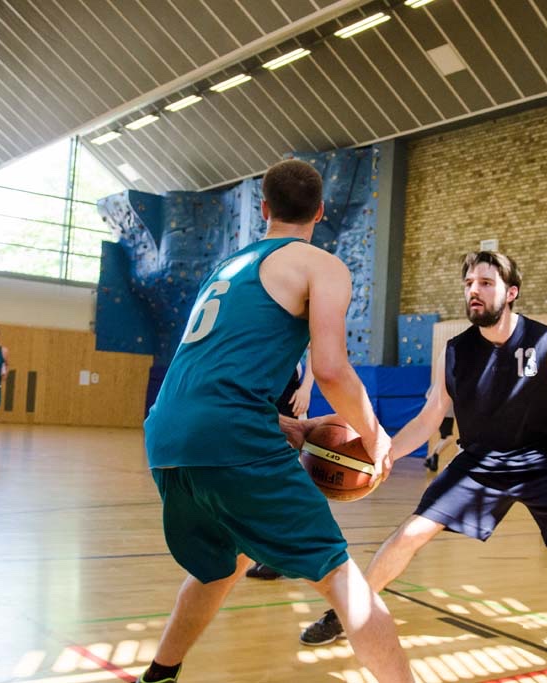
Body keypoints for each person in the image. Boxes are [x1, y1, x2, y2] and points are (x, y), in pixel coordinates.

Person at [300, 251, 547, 683]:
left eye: (486, 283)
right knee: (410, 533)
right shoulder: (454, 352)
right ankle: (347, 612)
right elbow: (429, 418)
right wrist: (388, 453)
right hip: (479, 461)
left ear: (510, 293)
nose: (474, 290)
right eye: (470, 283)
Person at [138, 159, 414, 683]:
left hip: (167, 433)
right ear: (321, 212)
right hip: (231, 433)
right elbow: (331, 369)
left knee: (222, 565)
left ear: (264, 209)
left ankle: (158, 675)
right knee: (343, 580)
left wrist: (291, 426)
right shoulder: (320, 264)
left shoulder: (228, 268)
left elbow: (208, 372)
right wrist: (376, 438)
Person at [246, 349, 314, 580]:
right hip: (256, 391)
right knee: (256, 480)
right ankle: (265, 554)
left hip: (288, 395)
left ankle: (283, 555)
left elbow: (318, 347)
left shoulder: (300, 314)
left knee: (282, 480)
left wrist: (306, 388)